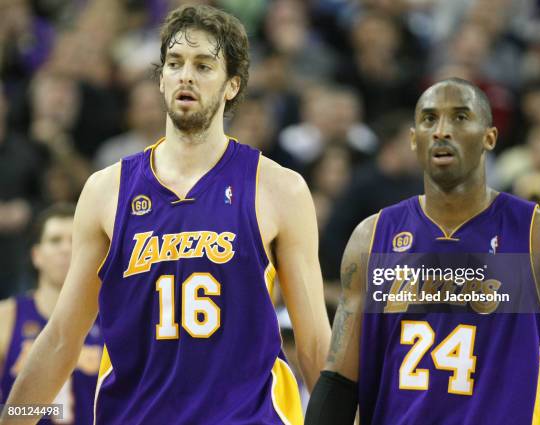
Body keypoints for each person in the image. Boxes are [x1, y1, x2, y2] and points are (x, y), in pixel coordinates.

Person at [1, 5, 330, 425]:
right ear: (160, 79)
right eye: (174, 64)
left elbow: (315, 345)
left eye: (203, 65)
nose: (185, 75)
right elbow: (63, 337)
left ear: (232, 85)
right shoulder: (107, 190)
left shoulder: (280, 189)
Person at [305, 78, 540, 424]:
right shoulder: (371, 237)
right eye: (429, 119)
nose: (441, 131)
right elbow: (338, 382)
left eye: (461, 117)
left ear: (489, 137)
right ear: (412, 139)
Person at [0, 203, 103, 424]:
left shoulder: (114, 317)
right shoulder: (7, 317)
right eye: (55, 240)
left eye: (74, 241)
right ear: (37, 255)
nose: (66, 249)